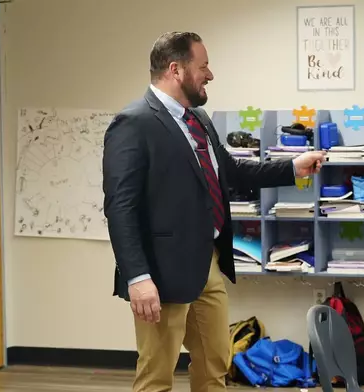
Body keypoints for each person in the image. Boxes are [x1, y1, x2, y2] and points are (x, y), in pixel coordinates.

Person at [102, 31, 325, 392]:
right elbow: (120, 207)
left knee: (215, 362)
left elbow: (232, 172)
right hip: (160, 271)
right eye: (203, 66)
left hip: (208, 263)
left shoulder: (198, 119)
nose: (210, 74)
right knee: (157, 373)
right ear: (176, 69)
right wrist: (137, 277)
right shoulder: (134, 122)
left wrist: (292, 167)